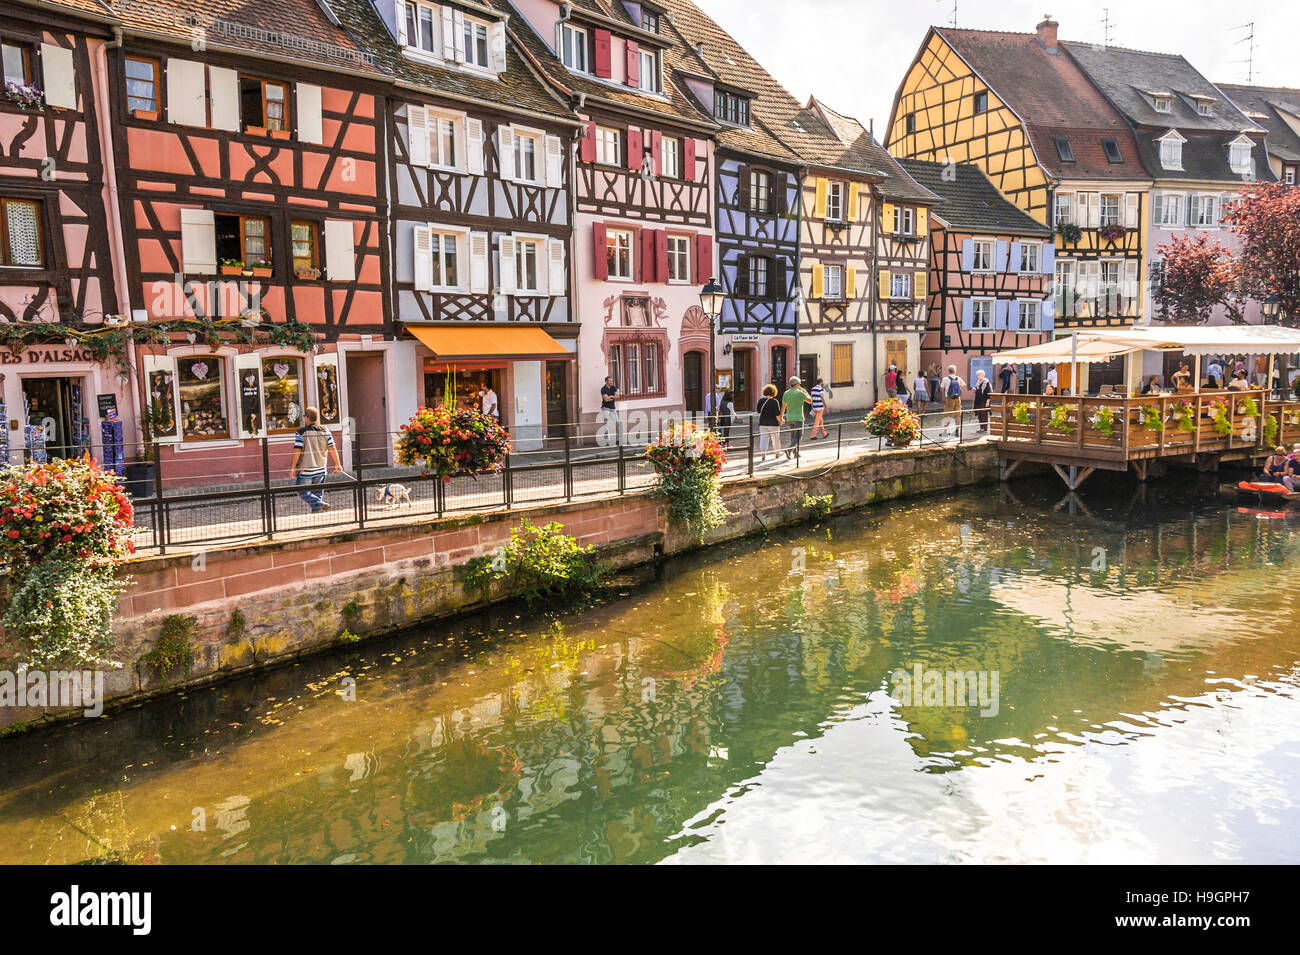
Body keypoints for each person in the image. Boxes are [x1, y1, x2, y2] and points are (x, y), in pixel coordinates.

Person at [290, 407, 343, 514]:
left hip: (306, 469)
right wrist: (338, 464)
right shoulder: (325, 431)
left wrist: (293, 467)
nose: (304, 418)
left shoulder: (301, 433)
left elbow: (297, 450)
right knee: (317, 492)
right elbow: (332, 448)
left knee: (302, 491)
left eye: (304, 416)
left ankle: (319, 505)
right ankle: (317, 511)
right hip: (321, 468)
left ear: (307, 418)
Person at [781, 376, 812, 459]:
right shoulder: (800, 393)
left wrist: (781, 417)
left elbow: (783, 406)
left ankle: (796, 453)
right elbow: (810, 401)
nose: (800, 386)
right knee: (799, 435)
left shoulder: (786, 393)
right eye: (799, 384)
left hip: (790, 417)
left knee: (793, 436)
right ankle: (789, 450)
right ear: (797, 384)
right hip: (798, 417)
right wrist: (805, 391)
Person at [756, 384, 784, 461]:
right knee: (775, 439)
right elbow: (777, 414)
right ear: (774, 392)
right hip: (773, 424)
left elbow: (758, 411)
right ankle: (777, 453)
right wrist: (781, 420)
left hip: (762, 423)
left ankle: (763, 454)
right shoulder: (775, 401)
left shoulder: (761, 400)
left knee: (763, 438)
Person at [599, 376, 620, 445]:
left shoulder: (613, 387)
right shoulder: (603, 389)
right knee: (606, 424)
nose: (611, 382)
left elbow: (618, 396)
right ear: (606, 381)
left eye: (611, 380)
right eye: (610, 381)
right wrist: (613, 397)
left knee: (617, 423)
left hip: (613, 408)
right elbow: (606, 399)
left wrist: (610, 397)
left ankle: (618, 439)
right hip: (605, 408)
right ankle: (607, 440)